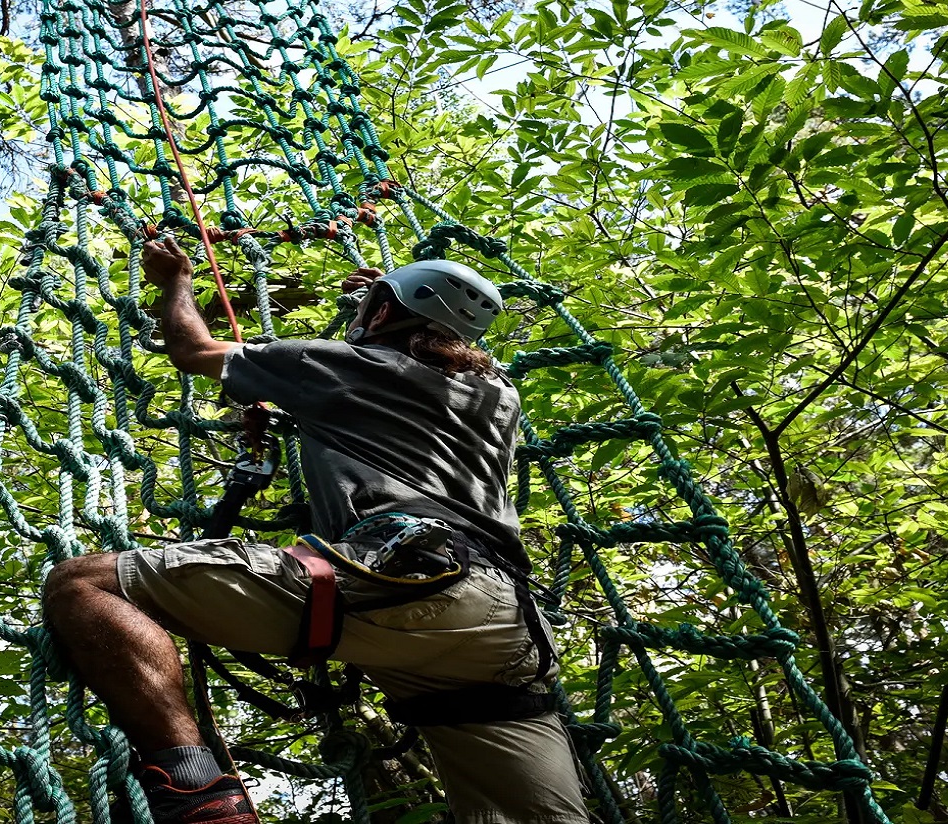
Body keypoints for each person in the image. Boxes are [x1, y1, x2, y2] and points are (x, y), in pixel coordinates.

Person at [44, 236, 589, 824]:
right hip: (504, 624)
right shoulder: (498, 397)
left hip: (399, 584)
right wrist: (377, 305)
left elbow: (193, 348)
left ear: (381, 313)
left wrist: (175, 280)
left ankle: (199, 797)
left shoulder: (339, 366)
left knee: (83, 584)